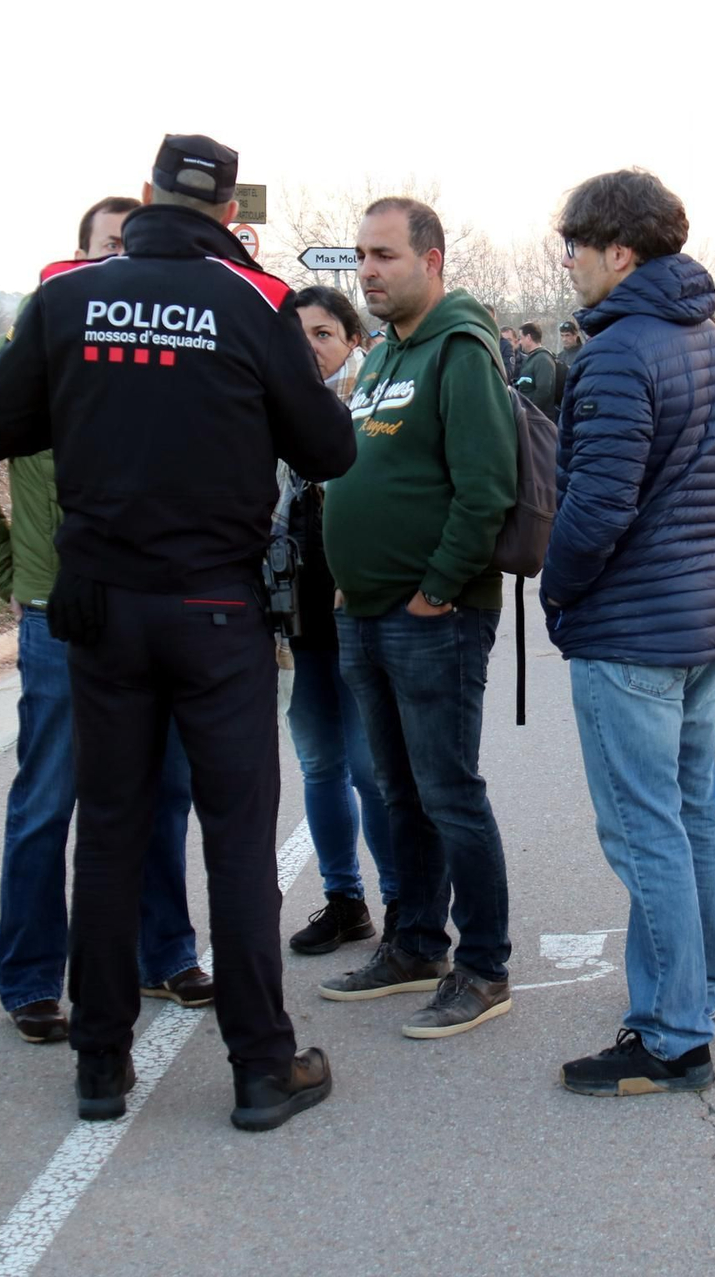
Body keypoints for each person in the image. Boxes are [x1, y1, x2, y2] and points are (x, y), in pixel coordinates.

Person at [0, 133, 357, 1132]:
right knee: (234, 839)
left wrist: (93, 403)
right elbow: (328, 446)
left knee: (113, 830)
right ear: (227, 211)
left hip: (100, 604)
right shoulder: (254, 300)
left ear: (141, 198)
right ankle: (261, 1067)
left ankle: (100, 1065)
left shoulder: (68, 296)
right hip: (213, 608)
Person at [0, 195, 213, 1047]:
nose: (120, 259)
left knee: (162, 792)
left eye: (131, 247)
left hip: (154, 606)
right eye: (107, 245)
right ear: (79, 255)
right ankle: (30, 976)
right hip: (59, 615)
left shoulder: (161, 346)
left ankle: (160, 950)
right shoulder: (32, 346)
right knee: (49, 798)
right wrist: (9, 571)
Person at [544, 168, 715, 1095]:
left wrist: (558, 593)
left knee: (644, 829)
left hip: (632, 630)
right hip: (700, 617)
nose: (570, 266)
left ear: (619, 252)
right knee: (691, 815)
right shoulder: (712, 342)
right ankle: (695, 991)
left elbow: (595, 507)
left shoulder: (621, 353)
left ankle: (672, 1032)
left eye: (575, 249)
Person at [317, 196, 519, 1040]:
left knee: (449, 793)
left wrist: (435, 588)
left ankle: (483, 965)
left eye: (385, 256)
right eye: (361, 255)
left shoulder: (459, 351)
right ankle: (413, 944)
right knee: (399, 791)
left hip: (431, 617)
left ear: (431, 260)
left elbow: (486, 489)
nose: (367, 271)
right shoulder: (384, 356)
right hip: (364, 613)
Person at [277, 285, 401, 956]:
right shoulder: (270, 410)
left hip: (359, 613)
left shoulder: (376, 409)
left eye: (323, 333)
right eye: (296, 335)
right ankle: (344, 900)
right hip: (295, 622)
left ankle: (403, 907)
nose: (310, 347)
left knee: (367, 766)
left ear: (353, 340)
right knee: (319, 762)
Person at [512, 320, 562, 422]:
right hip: (530, 418)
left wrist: (529, 410)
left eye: (521, 338)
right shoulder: (531, 359)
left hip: (538, 420)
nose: (520, 342)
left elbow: (543, 390)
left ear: (529, 337)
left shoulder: (543, 359)